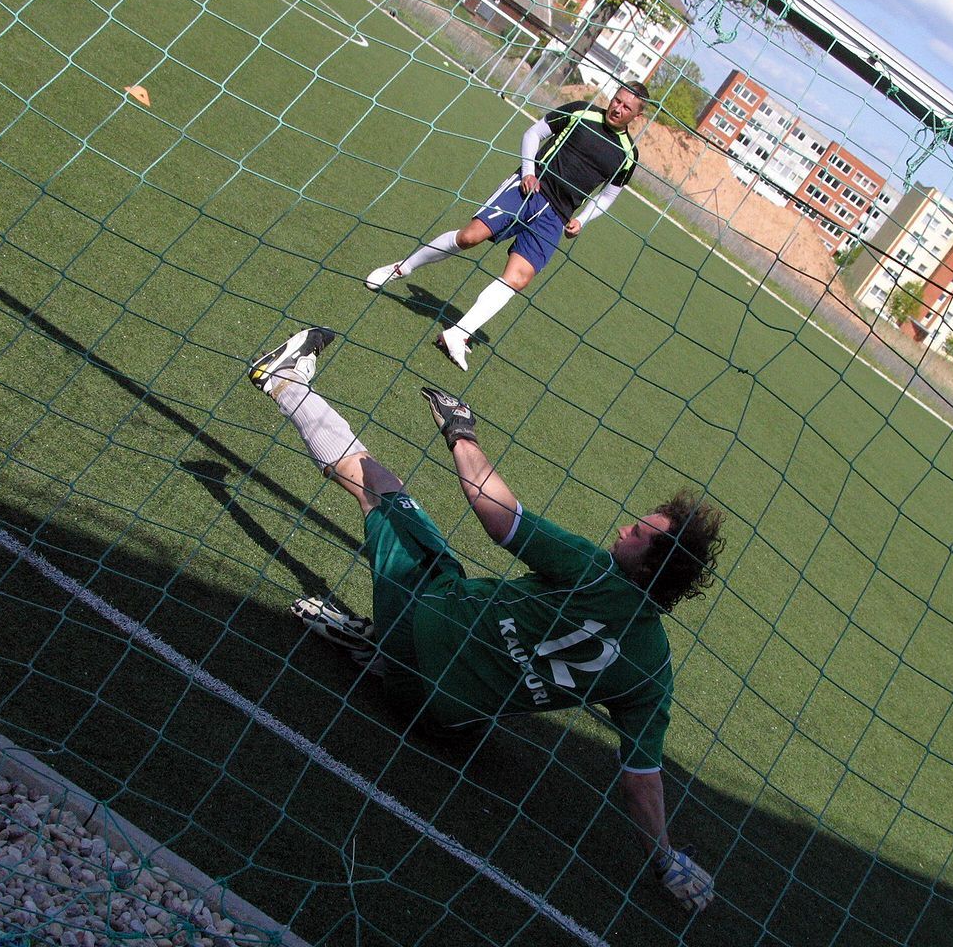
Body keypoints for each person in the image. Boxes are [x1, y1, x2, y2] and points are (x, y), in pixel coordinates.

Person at [248, 325, 722, 914]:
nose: (624, 528)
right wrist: (666, 857)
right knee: (454, 602)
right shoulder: (653, 669)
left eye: (638, 534)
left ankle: (283, 381)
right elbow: (642, 777)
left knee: (382, 490)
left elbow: (498, 513)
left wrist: (461, 432)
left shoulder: (594, 571)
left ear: (649, 567)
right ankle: (374, 647)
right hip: (445, 723)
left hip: (422, 630)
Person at [365, 83, 650, 371]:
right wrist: (528, 172)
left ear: (637, 116)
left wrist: (582, 220)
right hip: (530, 189)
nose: (617, 108)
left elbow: (608, 196)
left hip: (557, 216)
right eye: (617, 100)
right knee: (469, 237)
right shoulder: (581, 111)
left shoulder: (628, 155)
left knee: (519, 278)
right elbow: (533, 134)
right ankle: (401, 268)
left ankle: (458, 334)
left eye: (626, 107)